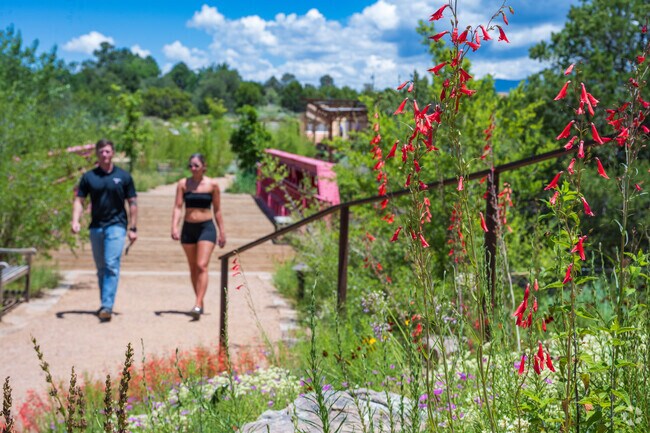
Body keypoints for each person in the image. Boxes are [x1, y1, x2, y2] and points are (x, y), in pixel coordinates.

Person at [71, 138, 138, 322]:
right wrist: (75, 220)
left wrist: (133, 228)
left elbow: (132, 202)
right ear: (97, 154)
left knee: (110, 264)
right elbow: (79, 200)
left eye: (108, 151)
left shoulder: (124, 177)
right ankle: (104, 302)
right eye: (101, 151)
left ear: (113, 153)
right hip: (96, 227)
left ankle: (107, 305)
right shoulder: (89, 177)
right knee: (101, 268)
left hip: (117, 226)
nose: (104, 155)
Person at [171, 153, 226, 320]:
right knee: (193, 267)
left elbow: (217, 209)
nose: (193, 168)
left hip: (206, 228)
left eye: (196, 165)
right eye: (191, 166)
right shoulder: (183, 184)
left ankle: (197, 302)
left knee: (202, 265)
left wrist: (222, 231)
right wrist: (174, 226)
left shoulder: (212, 185)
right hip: (188, 228)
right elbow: (178, 207)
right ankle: (199, 302)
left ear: (203, 166)